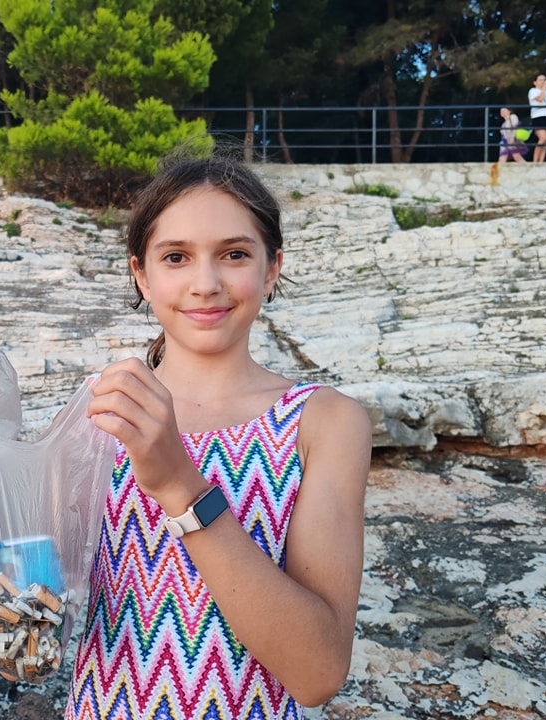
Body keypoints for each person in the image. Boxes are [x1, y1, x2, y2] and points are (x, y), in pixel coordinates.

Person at [65, 148, 371, 720]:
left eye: (233, 254)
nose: (205, 283)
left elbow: (318, 672)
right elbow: (23, 597)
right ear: (142, 273)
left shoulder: (324, 422)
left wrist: (181, 486)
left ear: (271, 267)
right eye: (176, 256)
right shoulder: (101, 408)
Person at [528, 74, 546, 162]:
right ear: (535, 82)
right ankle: (535, 160)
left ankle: (541, 160)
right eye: (540, 80)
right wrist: (544, 88)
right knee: (542, 138)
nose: (543, 82)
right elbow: (540, 99)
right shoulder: (533, 91)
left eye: (544, 80)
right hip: (538, 116)